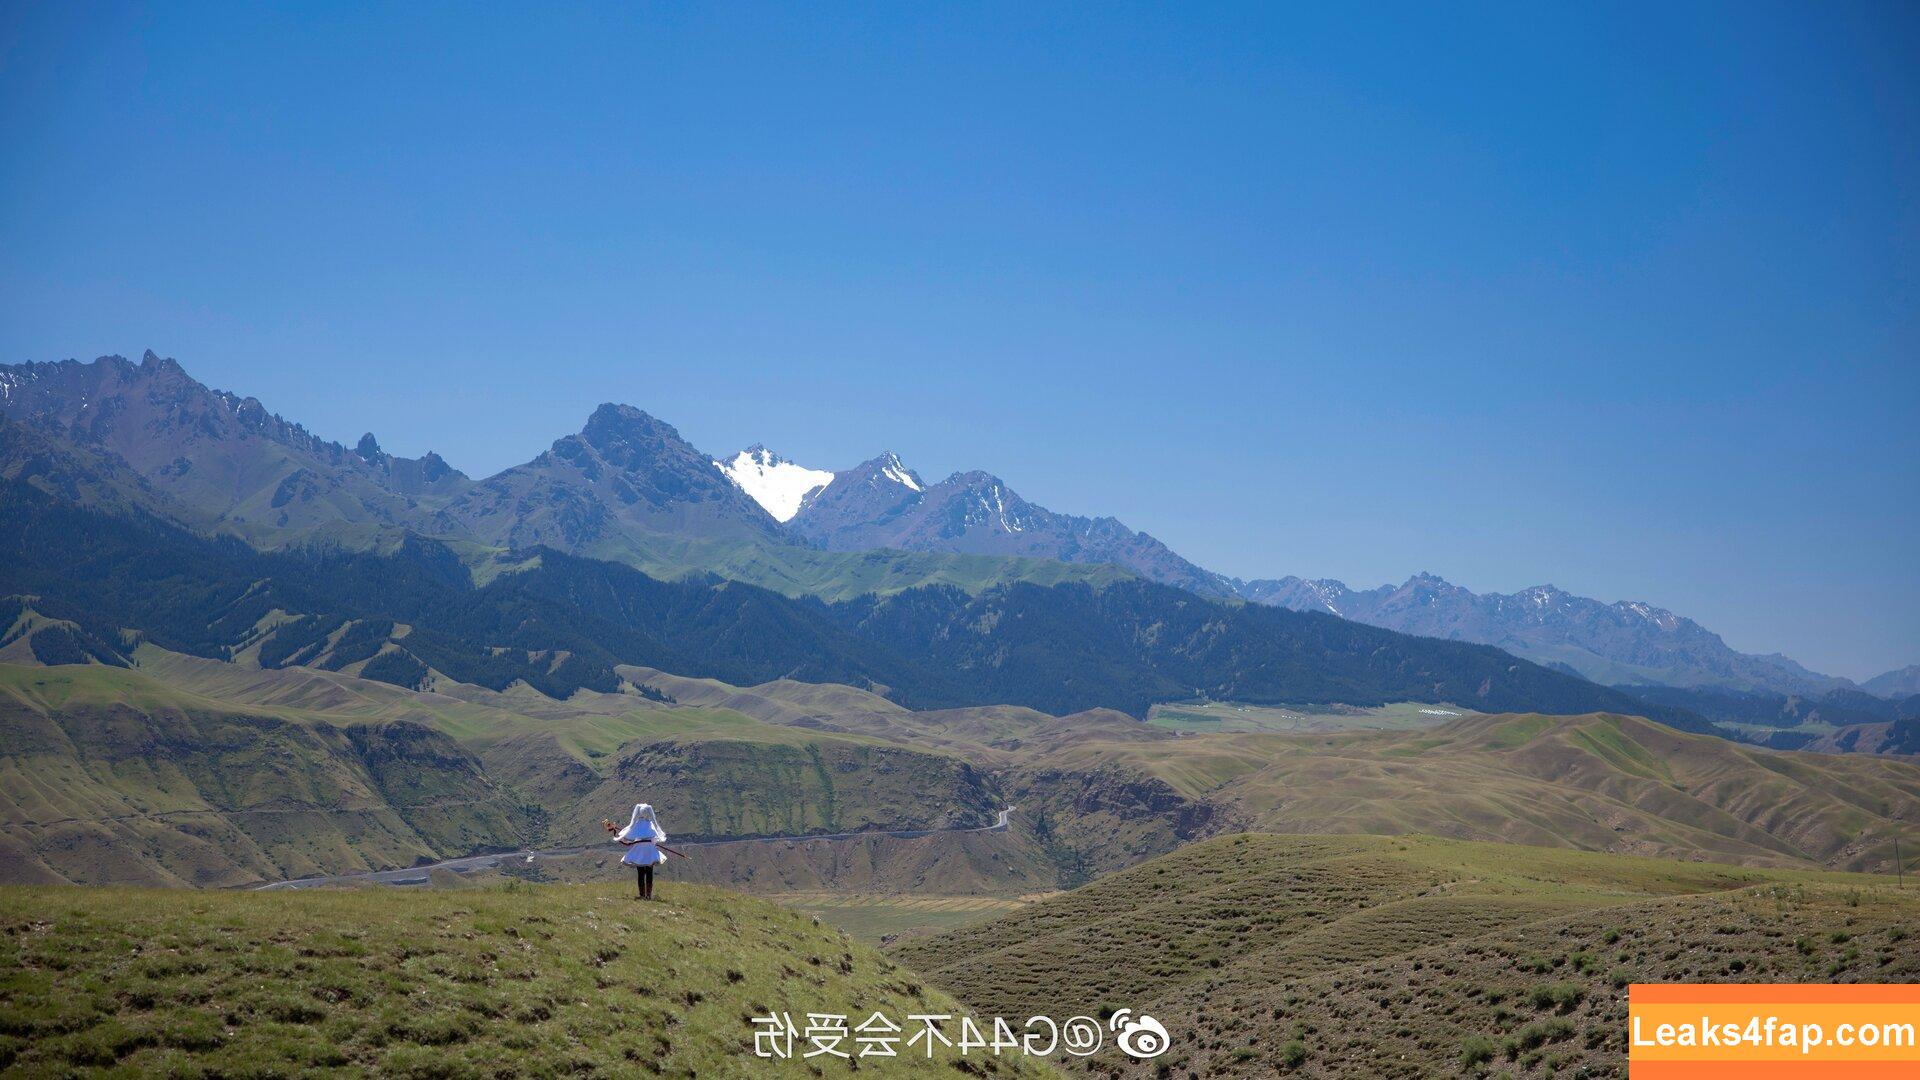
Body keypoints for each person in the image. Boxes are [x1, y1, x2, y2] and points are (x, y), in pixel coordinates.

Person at [611, 803, 667, 900]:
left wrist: (616, 831)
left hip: (639, 849)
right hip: (649, 848)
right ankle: (648, 895)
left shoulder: (636, 825)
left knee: (641, 872)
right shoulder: (651, 824)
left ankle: (642, 895)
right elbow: (655, 837)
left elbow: (628, 837)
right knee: (649, 871)